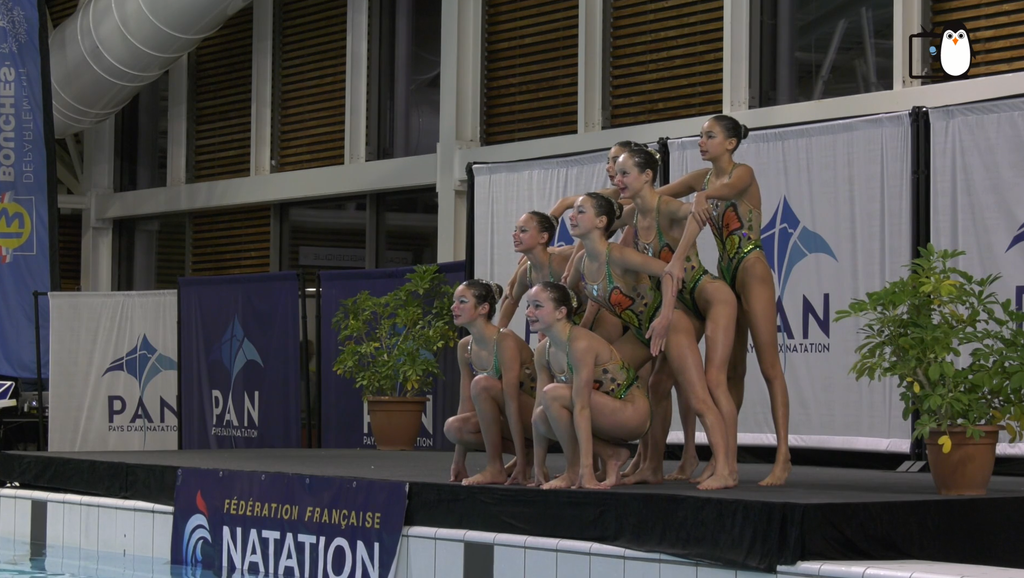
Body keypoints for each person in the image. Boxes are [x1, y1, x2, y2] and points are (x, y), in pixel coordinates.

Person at [563, 192, 737, 490]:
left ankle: (725, 469)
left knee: (698, 397)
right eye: (572, 211)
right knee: (597, 381)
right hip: (640, 333)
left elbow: (669, 272)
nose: (572, 216)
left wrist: (666, 316)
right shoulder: (581, 261)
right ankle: (638, 464)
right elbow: (565, 297)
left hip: (669, 325)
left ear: (601, 221)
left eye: (580, 211)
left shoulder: (618, 255)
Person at [661, 114, 793, 486]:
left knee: (769, 366)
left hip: (751, 266)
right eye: (701, 136)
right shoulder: (700, 180)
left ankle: (783, 455)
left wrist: (703, 196)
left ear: (730, 143)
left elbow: (730, 188)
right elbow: (657, 196)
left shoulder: (742, 172)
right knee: (732, 371)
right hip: (727, 271)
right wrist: (611, 198)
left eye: (710, 136)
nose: (701, 142)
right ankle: (724, 457)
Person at [610, 145, 739, 485]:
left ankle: (727, 467)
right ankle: (652, 465)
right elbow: (598, 221)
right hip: (679, 307)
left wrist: (678, 257)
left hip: (709, 296)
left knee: (713, 382)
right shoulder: (632, 214)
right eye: (616, 173)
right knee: (657, 383)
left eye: (624, 173)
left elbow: (698, 213)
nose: (618, 179)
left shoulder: (666, 206)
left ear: (647, 176)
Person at [526, 282, 649, 489]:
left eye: (537, 306)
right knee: (540, 418)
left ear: (561, 312)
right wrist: (538, 467)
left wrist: (586, 472)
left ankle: (575, 471)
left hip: (632, 413)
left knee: (553, 394)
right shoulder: (542, 352)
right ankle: (610, 453)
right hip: (602, 415)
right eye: (528, 305)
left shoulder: (580, 344)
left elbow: (581, 407)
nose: (529, 312)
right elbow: (538, 407)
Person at [443, 279, 539, 486]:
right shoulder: (465, 347)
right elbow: (466, 403)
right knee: (454, 428)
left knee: (482, 385)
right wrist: (458, 461)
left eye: (462, 302)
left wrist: (522, 465)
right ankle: (527, 453)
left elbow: (512, 403)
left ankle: (496, 467)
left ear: (483, 309)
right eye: (454, 301)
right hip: (510, 421)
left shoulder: (505, 340)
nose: (454, 307)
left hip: (539, 419)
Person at [498, 211, 623, 345]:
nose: (515, 234)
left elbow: (595, 294)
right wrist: (498, 334)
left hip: (598, 318)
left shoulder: (560, 264)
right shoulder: (526, 273)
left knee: (583, 350)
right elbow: (511, 301)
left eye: (523, 230)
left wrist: (583, 328)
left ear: (543, 237)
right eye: (515, 230)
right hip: (569, 326)